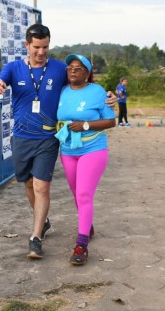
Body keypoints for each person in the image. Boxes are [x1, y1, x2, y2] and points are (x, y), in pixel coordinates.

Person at [0, 24, 116, 260]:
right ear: (27, 45)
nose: (41, 52)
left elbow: (82, 85)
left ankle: (35, 238)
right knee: (28, 185)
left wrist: (108, 95)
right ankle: (44, 222)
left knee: (42, 187)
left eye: (45, 46)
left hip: (48, 138)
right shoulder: (14, 68)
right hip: (22, 137)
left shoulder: (58, 68)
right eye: (36, 47)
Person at [55, 54, 116, 265]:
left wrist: (86, 125)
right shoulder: (62, 90)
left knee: (83, 193)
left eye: (79, 68)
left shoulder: (98, 92)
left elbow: (111, 120)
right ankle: (87, 224)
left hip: (93, 148)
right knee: (76, 193)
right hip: (68, 149)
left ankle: (82, 245)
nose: (73, 71)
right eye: (70, 67)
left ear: (88, 73)